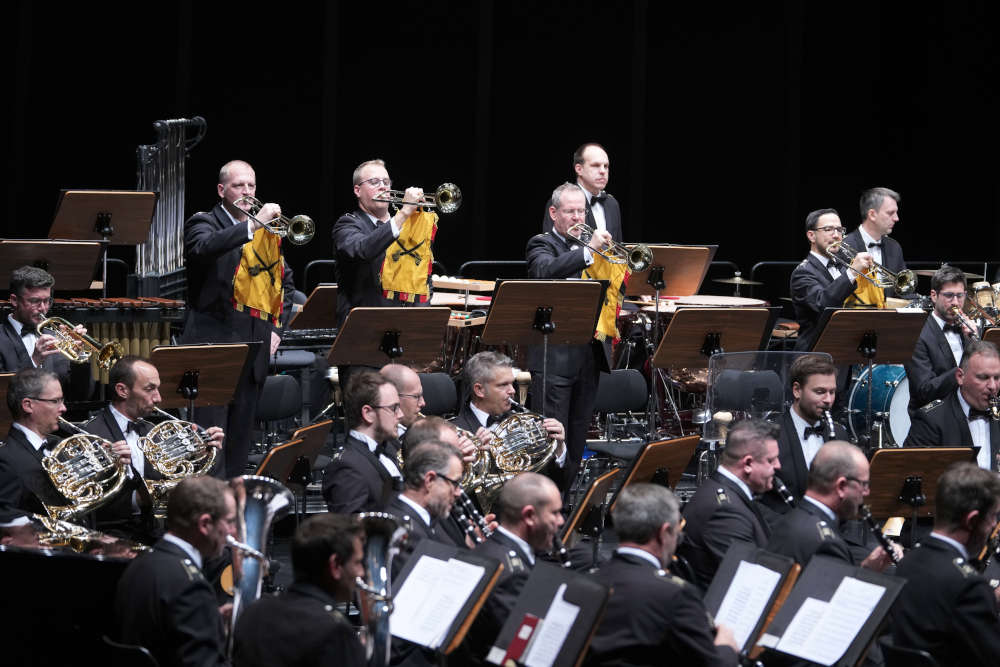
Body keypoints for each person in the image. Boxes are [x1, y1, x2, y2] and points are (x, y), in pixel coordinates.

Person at [181, 159, 295, 478]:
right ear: (222, 190)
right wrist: (252, 225)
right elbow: (203, 249)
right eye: (238, 185)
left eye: (251, 185)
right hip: (213, 350)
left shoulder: (266, 232)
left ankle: (234, 513)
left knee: (240, 445)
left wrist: (276, 328)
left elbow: (284, 282)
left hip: (254, 348)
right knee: (209, 445)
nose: (246, 191)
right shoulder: (204, 222)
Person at [587, 483, 739, 666]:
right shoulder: (674, 594)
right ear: (664, 533)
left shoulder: (587, 582)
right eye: (677, 532)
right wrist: (726, 646)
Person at [526, 183, 613, 489]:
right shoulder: (541, 244)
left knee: (576, 440)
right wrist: (589, 253)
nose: (578, 217)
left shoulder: (593, 246)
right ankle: (545, 505)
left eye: (581, 211)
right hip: (554, 359)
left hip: (588, 358)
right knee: (551, 442)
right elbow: (545, 271)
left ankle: (564, 511)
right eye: (570, 211)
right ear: (554, 214)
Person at [83, 355, 224, 534]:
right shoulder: (91, 434)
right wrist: (138, 499)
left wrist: (203, 454)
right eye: (150, 389)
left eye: (158, 388)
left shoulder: (153, 431)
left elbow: (182, 481)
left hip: (156, 530)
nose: (158, 398)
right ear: (122, 390)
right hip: (110, 535)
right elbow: (88, 504)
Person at [114, 476, 236, 667]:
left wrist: (209, 620)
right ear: (205, 525)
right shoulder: (191, 586)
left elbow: (162, 628)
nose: (233, 531)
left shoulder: (139, 564)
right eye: (229, 521)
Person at [890, 461, 1000, 665]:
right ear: (972, 521)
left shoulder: (907, 563)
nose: (994, 526)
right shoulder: (970, 586)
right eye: (993, 517)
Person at [232, 513, 366, 667]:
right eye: (357, 562)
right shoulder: (336, 633)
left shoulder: (253, 614)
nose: (361, 572)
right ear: (335, 565)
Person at [0, 368, 131, 517]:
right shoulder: (5, 459)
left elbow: (97, 502)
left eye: (62, 400)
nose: (63, 408)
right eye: (55, 401)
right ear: (28, 405)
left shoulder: (64, 447)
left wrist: (112, 466)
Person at [677, 419, 779, 590]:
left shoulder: (723, 491)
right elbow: (748, 583)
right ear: (747, 464)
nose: (778, 466)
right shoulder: (725, 512)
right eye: (771, 461)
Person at [766, 441, 898, 569]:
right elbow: (837, 591)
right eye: (863, 484)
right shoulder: (826, 544)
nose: (867, 492)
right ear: (841, 486)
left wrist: (866, 567)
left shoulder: (791, 520)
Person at [331, 158, 427, 329]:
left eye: (386, 182)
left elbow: (423, 278)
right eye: (374, 182)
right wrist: (404, 213)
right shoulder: (347, 224)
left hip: (404, 326)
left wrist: (420, 318)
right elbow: (363, 250)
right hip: (360, 328)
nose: (383, 187)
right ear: (357, 190)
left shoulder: (406, 226)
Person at [471, 473, 565, 648]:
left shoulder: (485, 549)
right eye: (555, 513)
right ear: (529, 516)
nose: (561, 521)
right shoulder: (512, 575)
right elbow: (520, 645)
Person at [450, 351, 567, 483]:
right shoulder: (454, 432)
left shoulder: (523, 423)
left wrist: (559, 448)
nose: (512, 390)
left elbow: (554, 481)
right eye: (503, 385)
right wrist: (476, 457)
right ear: (479, 390)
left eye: (512, 383)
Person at [761, 355, 849, 513]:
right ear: (797, 390)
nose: (828, 400)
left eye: (832, 392)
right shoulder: (770, 436)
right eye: (820, 392)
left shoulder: (839, 434)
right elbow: (760, 504)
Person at [904, 339, 1000, 471]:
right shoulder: (931, 420)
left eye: (997, 378)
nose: (992, 386)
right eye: (983, 377)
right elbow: (912, 475)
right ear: (960, 376)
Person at [790, 208, 875, 351]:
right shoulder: (802, 273)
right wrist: (853, 271)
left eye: (839, 229)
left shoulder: (843, 267)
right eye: (828, 229)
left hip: (845, 351)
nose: (836, 235)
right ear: (811, 236)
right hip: (815, 356)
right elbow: (823, 303)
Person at [0, 266, 92, 397]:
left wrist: (79, 356)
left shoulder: (56, 336)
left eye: (47, 301)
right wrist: (34, 361)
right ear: (14, 300)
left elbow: (82, 394)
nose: (43, 308)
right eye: (35, 301)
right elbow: (4, 395)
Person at [322, 369, 404, 512]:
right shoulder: (346, 470)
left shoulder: (390, 447)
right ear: (368, 413)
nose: (401, 415)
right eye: (394, 408)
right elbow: (351, 530)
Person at [904, 265, 975, 414]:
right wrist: (962, 370)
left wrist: (974, 342)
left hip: (966, 410)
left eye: (960, 295)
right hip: (933, 416)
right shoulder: (917, 334)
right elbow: (924, 391)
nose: (955, 302)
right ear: (934, 295)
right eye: (949, 295)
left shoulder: (969, 331)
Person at [384, 438, 465, 563]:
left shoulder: (422, 519)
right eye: (455, 483)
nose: (458, 493)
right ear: (430, 480)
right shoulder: (402, 532)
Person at [541, 143, 623, 241]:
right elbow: (553, 246)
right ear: (579, 169)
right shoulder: (562, 200)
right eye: (595, 165)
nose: (603, 171)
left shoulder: (612, 203)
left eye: (606, 166)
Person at [844, 187, 907, 297]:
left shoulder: (894, 247)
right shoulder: (845, 245)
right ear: (872, 214)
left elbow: (902, 292)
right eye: (890, 213)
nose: (896, 218)